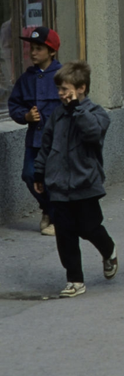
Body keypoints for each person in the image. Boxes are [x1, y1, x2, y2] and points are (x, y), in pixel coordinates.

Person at [32, 61, 117, 298]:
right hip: (58, 185)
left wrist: (77, 110)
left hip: (85, 183)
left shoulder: (96, 113)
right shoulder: (57, 116)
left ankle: (108, 249)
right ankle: (75, 280)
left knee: (89, 228)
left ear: (81, 88)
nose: (60, 94)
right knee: (65, 233)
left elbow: (92, 134)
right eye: (59, 89)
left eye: (65, 89)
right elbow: (46, 146)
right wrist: (39, 173)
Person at [9, 26, 64, 236]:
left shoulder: (61, 75)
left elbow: (72, 104)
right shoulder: (26, 78)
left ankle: (56, 218)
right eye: (32, 48)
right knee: (29, 175)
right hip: (34, 141)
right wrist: (25, 116)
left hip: (56, 141)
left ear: (51, 52)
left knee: (53, 180)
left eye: (39, 48)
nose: (33, 52)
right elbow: (14, 105)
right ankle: (49, 211)